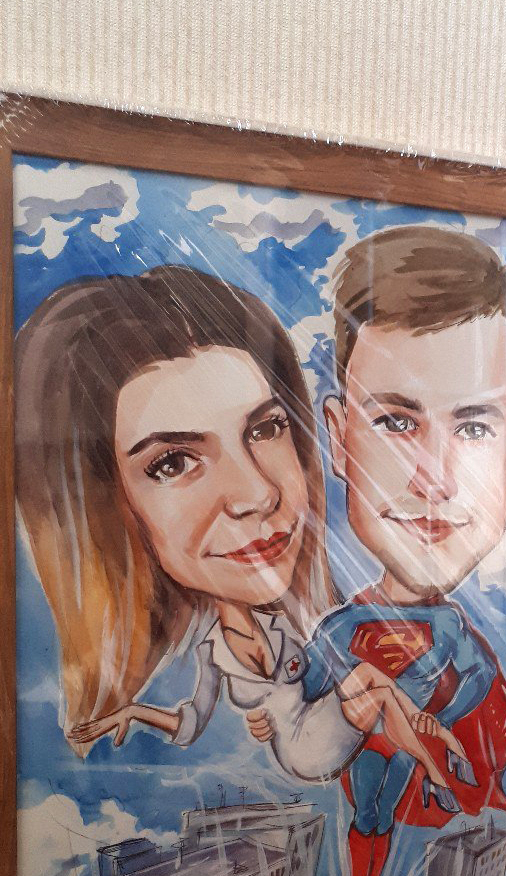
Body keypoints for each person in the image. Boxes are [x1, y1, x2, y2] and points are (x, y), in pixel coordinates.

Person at [15, 265, 464, 798]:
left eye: (265, 429)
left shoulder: (313, 628)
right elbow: (189, 721)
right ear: (104, 505)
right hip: (302, 753)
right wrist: (134, 712)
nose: (258, 493)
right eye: (173, 463)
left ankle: (436, 761)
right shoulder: (142, 724)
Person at [282, 225, 506, 876]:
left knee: (399, 819)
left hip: (429, 781)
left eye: (474, 426)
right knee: (369, 818)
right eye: (397, 422)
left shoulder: (459, 639)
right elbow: (305, 693)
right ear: (339, 439)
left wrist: (437, 717)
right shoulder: (339, 629)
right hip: (368, 767)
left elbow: (473, 682)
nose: (434, 478)